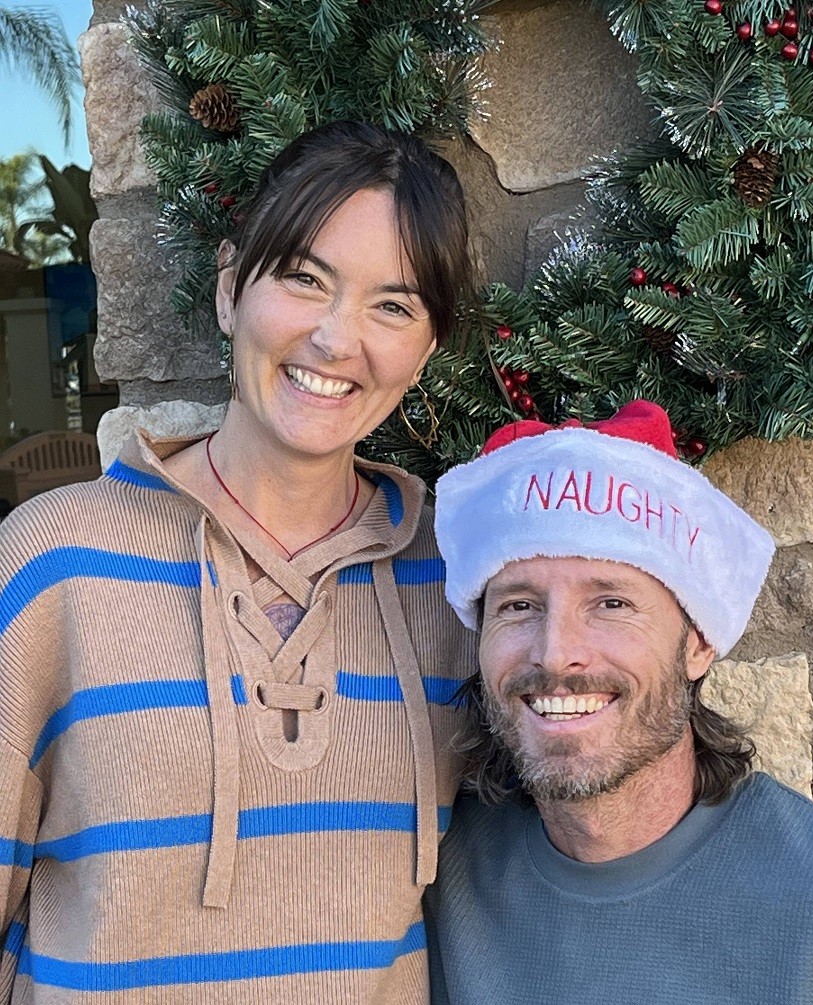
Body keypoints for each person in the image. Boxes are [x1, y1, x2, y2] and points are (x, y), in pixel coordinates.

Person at [0, 121, 478, 1001]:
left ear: (427, 349)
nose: (337, 339)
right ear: (230, 288)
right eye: (304, 278)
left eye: (393, 305)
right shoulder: (49, 560)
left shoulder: (461, 579)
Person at [426, 400, 813, 1004]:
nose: (556, 653)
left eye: (611, 604)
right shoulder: (431, 877)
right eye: (518, 605)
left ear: (698, 642)